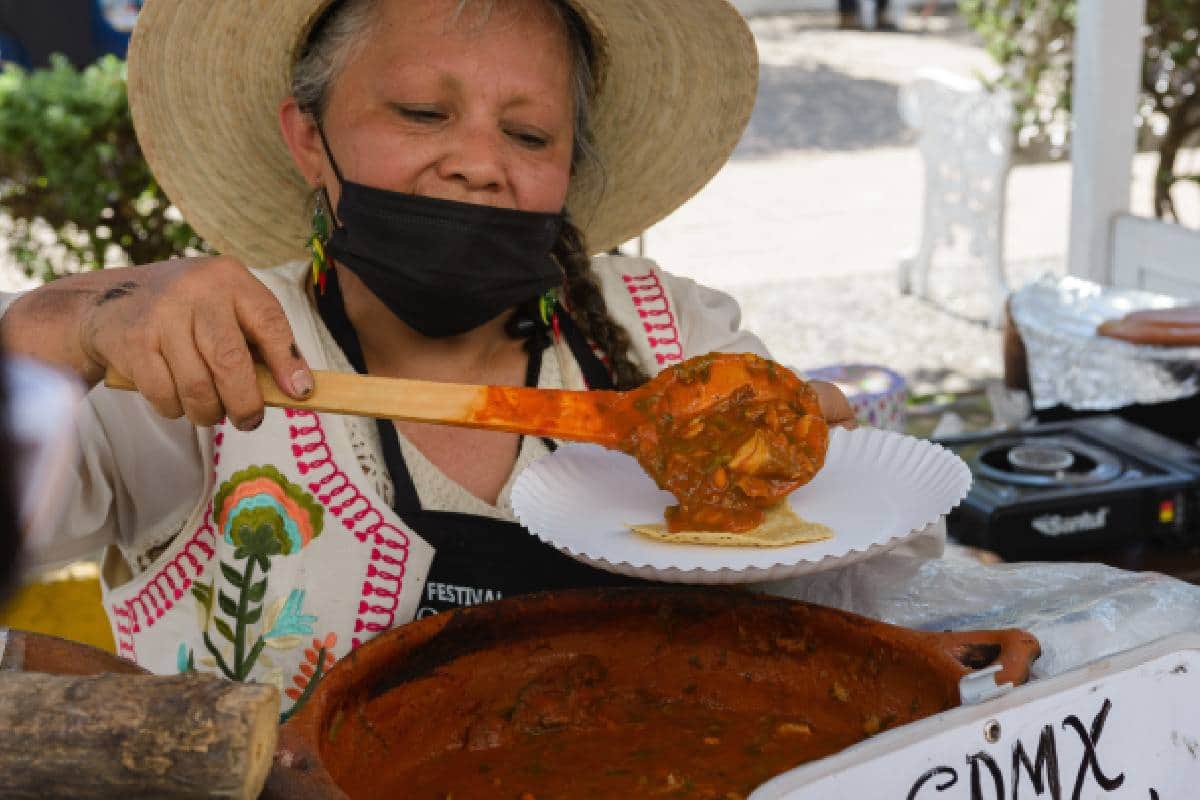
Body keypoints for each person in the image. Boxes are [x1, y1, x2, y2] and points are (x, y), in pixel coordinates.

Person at [0, 0, 852, 714]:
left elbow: (826, 585)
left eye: (529, 133)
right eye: (420, 113)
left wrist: (834, 503)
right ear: (308, 137)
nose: (480, 163)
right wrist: (63, 326)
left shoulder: (677, 339)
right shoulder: (196, 364)